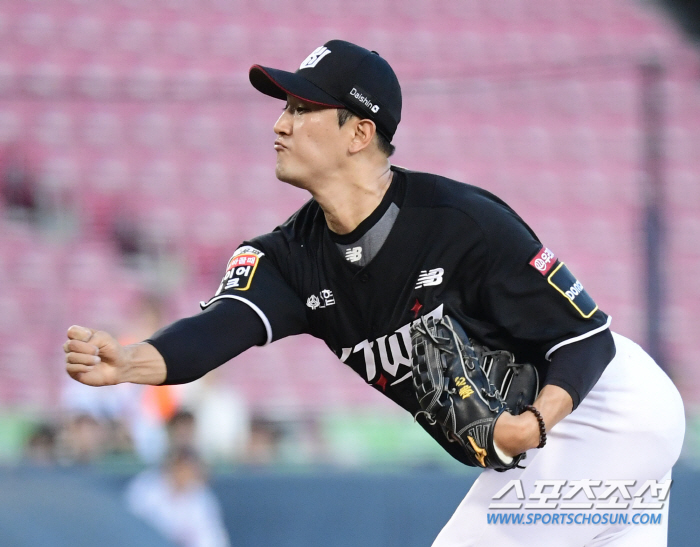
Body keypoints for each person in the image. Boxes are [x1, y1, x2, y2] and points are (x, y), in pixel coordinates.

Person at [64, 40, 685, 546]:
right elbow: (213, 333)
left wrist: (534, 425)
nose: (280, 124)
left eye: (302, 109)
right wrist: (131, 361)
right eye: (284, 108)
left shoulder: (462, 223)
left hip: (607, 409)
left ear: (359, 132)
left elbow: (586, 338)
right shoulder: (290, 259)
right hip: (553, 438)